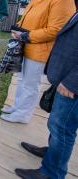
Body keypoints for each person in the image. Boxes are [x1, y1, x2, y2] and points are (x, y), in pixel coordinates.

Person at [1, 0, 76, 123]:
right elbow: (28, 16)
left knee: (30, 84)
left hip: (40, 50)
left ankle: (23, 114)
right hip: (25, 44)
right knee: (22, 79)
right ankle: (17, 106)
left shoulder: (63, 0)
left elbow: (55, 30)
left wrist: (26, 36)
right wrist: (18, 28)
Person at [14, 10, 78, 179]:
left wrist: (73, 82)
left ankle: (52, 173)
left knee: (62, 129)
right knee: (57, 125)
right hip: (65, 74)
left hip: (72, 84)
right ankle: (53, 153)